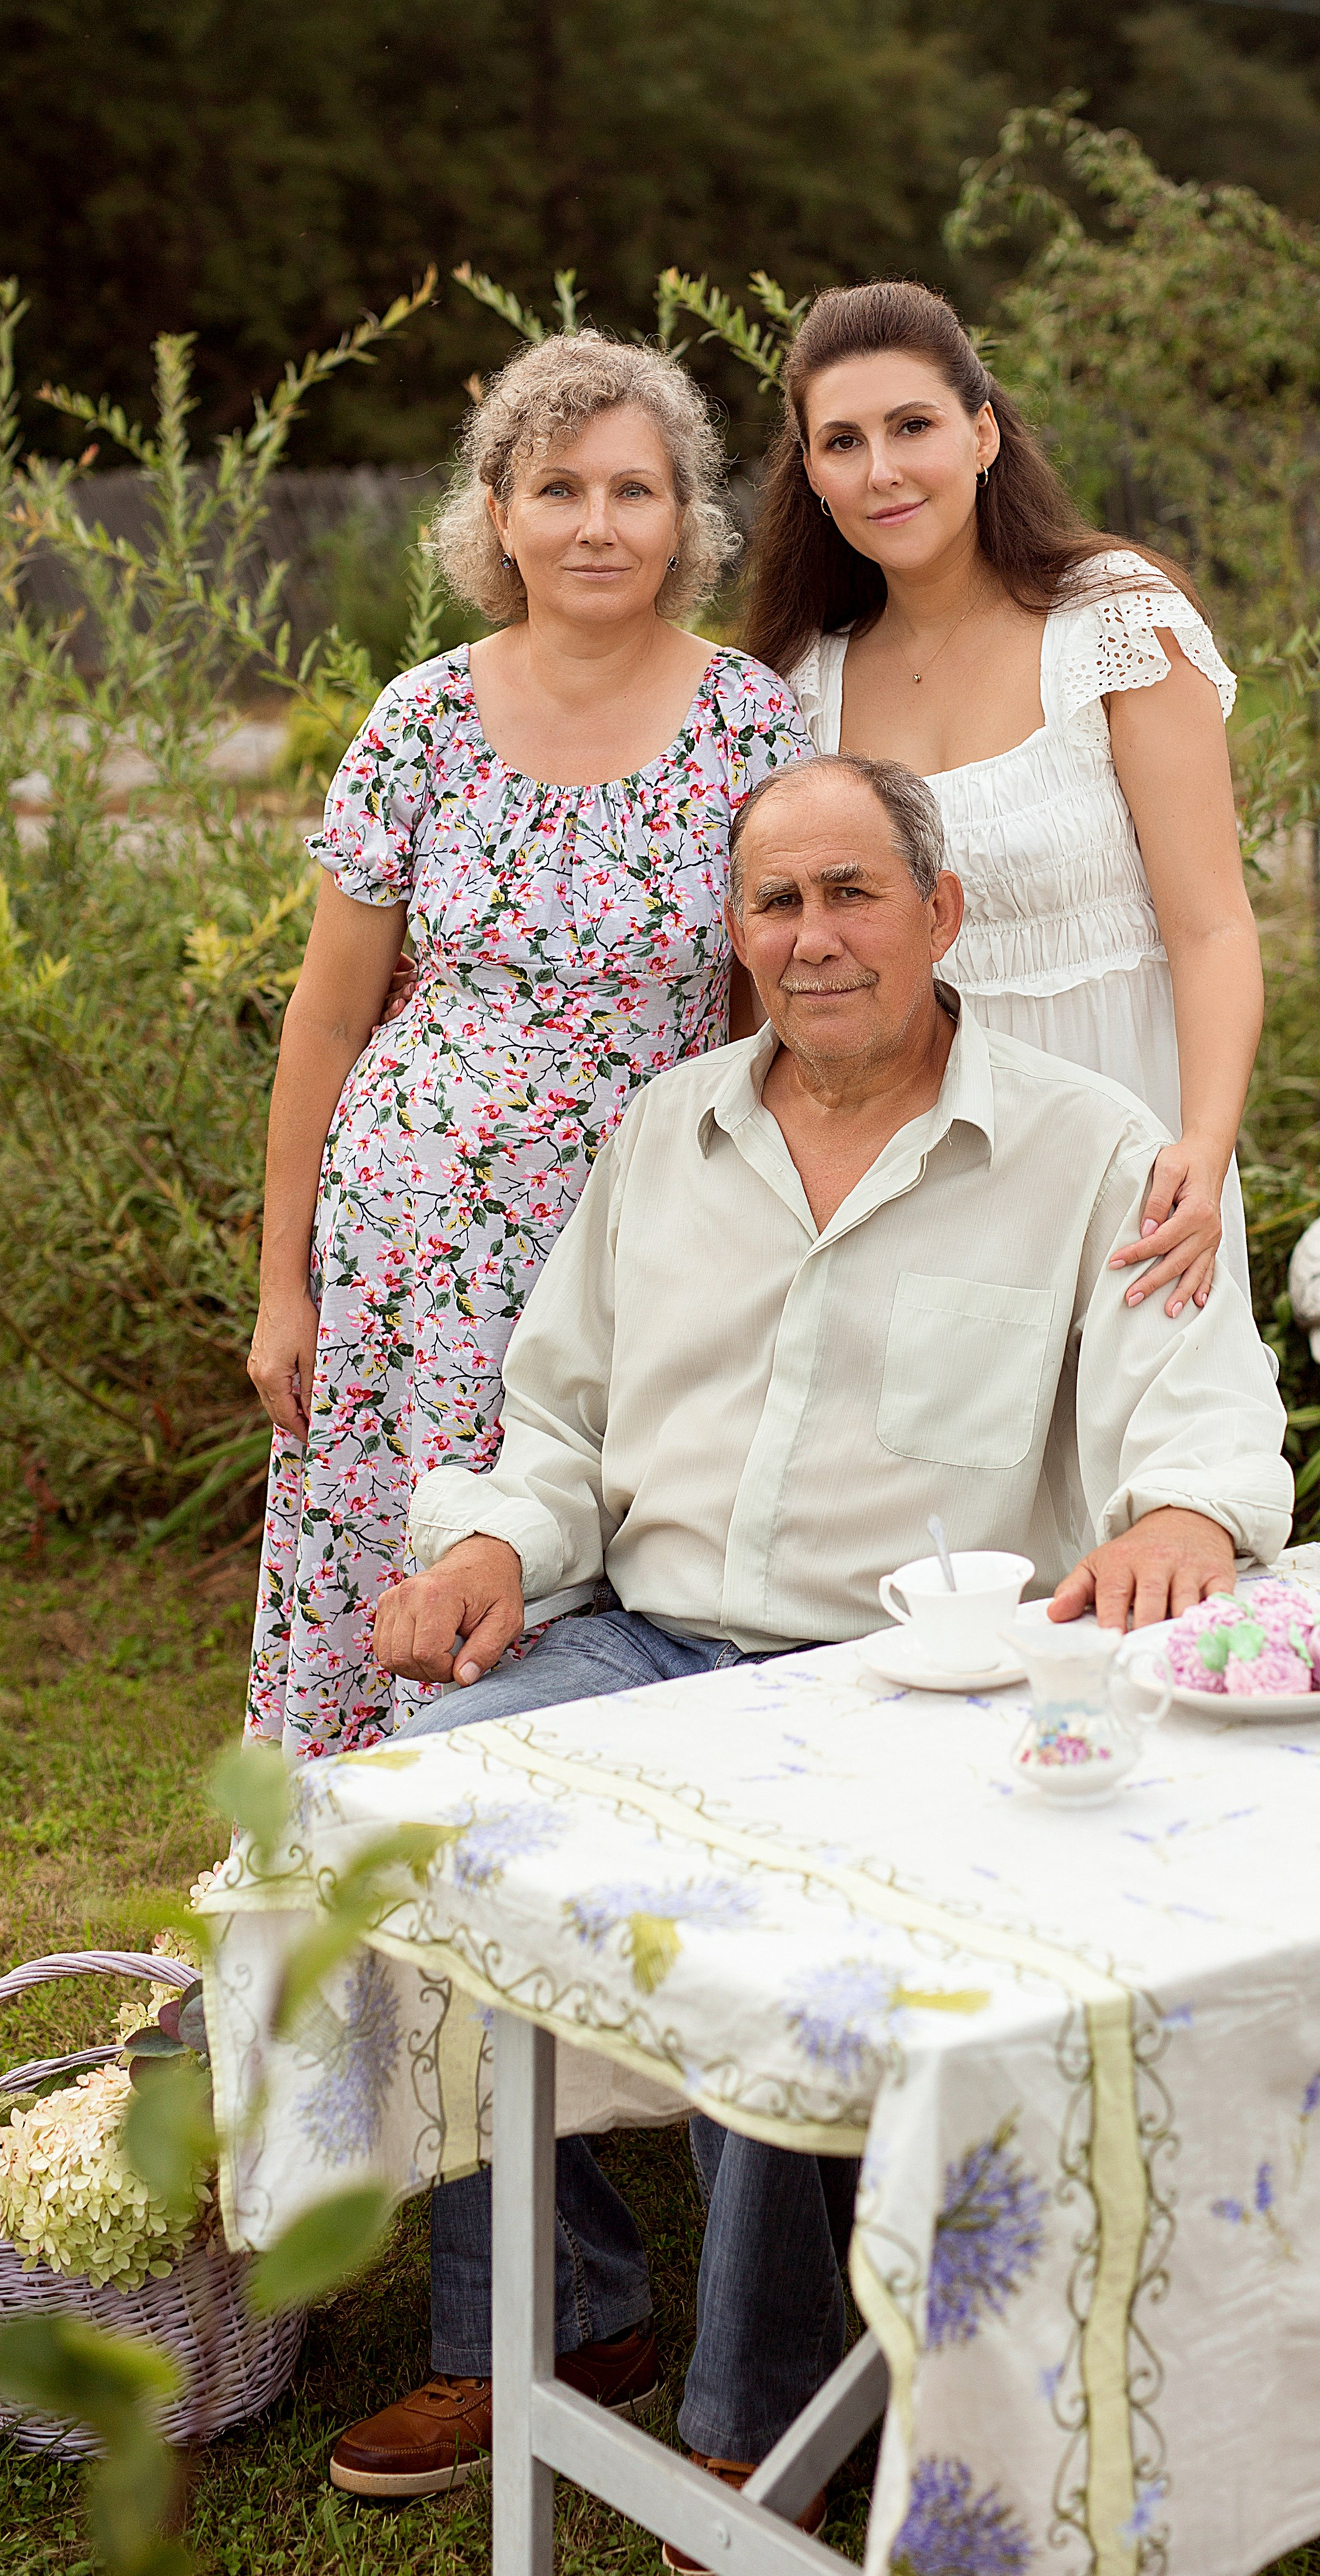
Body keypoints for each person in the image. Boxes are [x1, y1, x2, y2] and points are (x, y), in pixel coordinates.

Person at [325, 752, 1290, 2526]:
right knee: (421, 1803)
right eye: (777, 900)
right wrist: (487, 1545)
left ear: (943, 912)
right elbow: (557, 1427)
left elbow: (1207, 1420)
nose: (814, 935)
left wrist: (1184, 1514)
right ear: (737, 928)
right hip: (648, 1639)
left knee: (793, 1920)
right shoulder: (663, 1133)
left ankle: (761, 2427)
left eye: (853, 892)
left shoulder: (1093, 1148)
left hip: (901, 1687)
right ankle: (547, 2316)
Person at [243, 332, 811, 1758]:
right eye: (557, 489)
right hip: (408, 1247)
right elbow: (325, 1019)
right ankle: (344, 1903)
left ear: (684, 516)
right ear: (497, 513)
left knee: (591, 1584)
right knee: (398, 1570)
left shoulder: (749, 724)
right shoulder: (418, 720)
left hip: (636, 1238)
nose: (596, 525)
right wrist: (280, 1285)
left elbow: (773, 1011)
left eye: (634, 489)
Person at [740, 279, 1262, 1319]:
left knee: (1146, 1460)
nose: (882, 469)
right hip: (909, 1159)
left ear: (982, 434)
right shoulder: (798, 687)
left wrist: (1202, 1147)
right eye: (842, 442)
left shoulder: (1115, 625)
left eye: (913, 426)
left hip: (1130, 1139)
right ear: (812, 474)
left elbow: (1210, 926)